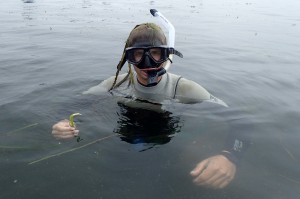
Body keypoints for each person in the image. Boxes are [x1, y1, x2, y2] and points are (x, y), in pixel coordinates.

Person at [52, 23, 248, 189]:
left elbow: (240, 121)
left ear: (166, 55)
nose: (147, 63)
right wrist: (62, 122)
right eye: (138, 55)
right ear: (127, 59)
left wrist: (230, 157)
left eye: (156, 54)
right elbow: (74, 104)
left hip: (165, 146)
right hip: (124, 144)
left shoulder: (184, 89)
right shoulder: (116, 84)